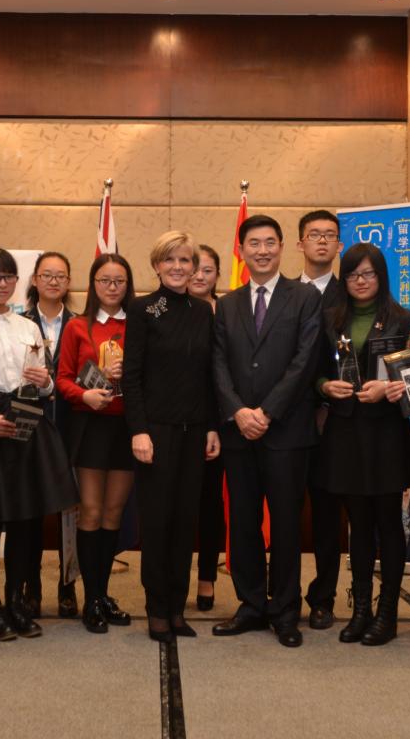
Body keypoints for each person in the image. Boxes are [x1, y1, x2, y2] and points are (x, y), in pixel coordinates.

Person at [212, 215, 323, 648]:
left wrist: (267, 412)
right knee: (242, 522)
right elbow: (217, 364)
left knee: (286, 526)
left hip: (287, 433)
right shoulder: (228, 303)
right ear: (240, 251)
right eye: (253, 243)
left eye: (270, 243)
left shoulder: (305, 298)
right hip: (239, 434)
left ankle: (285, 609)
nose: (262, 250)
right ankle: (251, 603)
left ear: (283, 248)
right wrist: (239, 412)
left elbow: (304, 361)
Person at [0, 248, 79, 641]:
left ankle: (17, 602)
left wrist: (46, 381)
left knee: (27, 520)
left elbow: (46, 384)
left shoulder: (27, 327)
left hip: (27, 414)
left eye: (7, 277)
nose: (1, 283)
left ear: (17, 282)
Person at [315, 243, 410, 646]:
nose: (360, 281)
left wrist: (390, 387)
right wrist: (326, 386)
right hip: (343, 432)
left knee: (388, 523)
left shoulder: (403, 319)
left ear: (382, 277)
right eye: (353, 275)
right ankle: (359, 610)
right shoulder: (329, 319)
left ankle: (387, 612)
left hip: (386, 434)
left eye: (369, 274)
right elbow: (314, 372)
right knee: (357, 525)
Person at [124, 231, 221, 642]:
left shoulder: (204, 312)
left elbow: (210, 376)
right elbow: (132, 377)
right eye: (171, 261)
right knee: (159, 523)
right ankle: (156, 610)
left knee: (186, 524)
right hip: (156, 434)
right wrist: (140, 431)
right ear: (157, 266)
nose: (179, 268)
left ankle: (177, 609)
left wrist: (213, 425)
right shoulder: (145, 309)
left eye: (186, 261)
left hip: (195, 431)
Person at [56, 253, 135, 632]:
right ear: (92, 284)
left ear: (129, 285)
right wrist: (83, 395)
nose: (112, 287)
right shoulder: (77, 327)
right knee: (89, 511)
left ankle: (103, 595)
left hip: (126, 427)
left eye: (119, 281)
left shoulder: (139, 324)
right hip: (90, 427)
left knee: (113, 514)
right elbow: (63, 378)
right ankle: (91, 600)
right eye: (105, 280)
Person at [296, 209, 346, 631]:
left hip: (336, 423)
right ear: (300, 244)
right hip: (288, 421)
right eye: (314, 235)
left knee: (329, 515)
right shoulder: (283, 293)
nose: (323, 242)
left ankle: (324, 596)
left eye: (331, 235)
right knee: (286, 511)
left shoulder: (351, 295)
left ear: (339, 245)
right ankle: (282, 595)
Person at [23, 251, 79, 619]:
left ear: (69, 282)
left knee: (70, 510)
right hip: (30, 423)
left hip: (73, 423)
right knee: (30, 508)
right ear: (34, 280)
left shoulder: (81, 323)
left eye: (61, 275)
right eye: (47, 275)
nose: (54, 281)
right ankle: (31, 586)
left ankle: (67, 585)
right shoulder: (19, 323)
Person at [189, 244, 224, 611]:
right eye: (195, 268)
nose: (199, 275)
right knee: (180, 505)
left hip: (219, 420)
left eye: (208, 270)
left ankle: (207, 578)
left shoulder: (227, 311)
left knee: (211, 505)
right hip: (179, 420)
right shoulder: (169, 310)